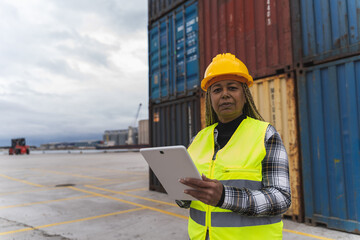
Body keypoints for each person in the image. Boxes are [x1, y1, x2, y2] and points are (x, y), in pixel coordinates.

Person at [177, 53, 291, 240]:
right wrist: (180, 192)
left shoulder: (265, 135)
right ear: (210, 98)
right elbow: (187, 201)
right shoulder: (198, 139)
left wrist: (225, 197)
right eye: (217, 90)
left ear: (245, 95)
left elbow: (281, 199)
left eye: (232, 88)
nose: (225, 95)